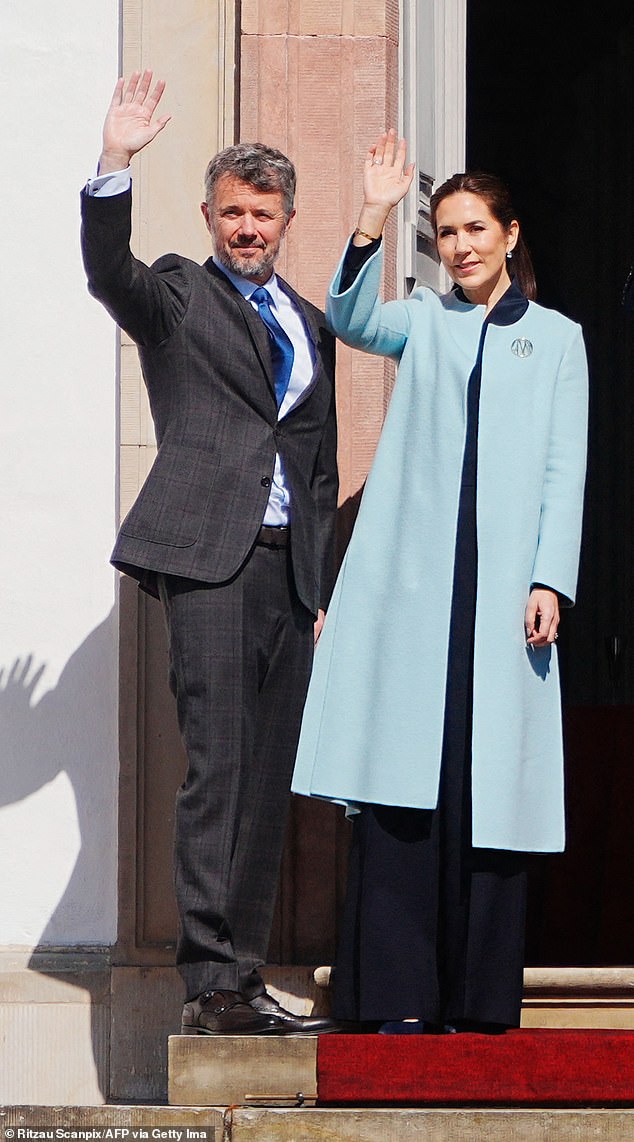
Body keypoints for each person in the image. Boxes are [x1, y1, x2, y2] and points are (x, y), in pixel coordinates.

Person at [292, 130, 588, 1033]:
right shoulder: (421, 317)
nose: (459, 245)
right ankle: (398, 1004)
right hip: (415, 604)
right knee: (403, 796)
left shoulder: (559, 340)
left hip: (504, 607)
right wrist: (375, 212)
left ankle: (480, 1007)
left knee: (487, 796)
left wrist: (551, 579)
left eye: (473, 229)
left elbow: (562, 473)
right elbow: (347, 317)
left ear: (508, 234)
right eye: (446, 232)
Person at [81, 71, 339, 1036]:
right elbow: (113, 274)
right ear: (210, 215)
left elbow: (316, 464)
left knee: (266, 782)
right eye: (232, 212)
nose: (247, 228)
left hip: (286, 576)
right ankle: (207, 985)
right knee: (217, 772)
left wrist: (318, 584)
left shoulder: (309, 325)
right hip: (209, 564)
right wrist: (113, 163)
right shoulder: (181, 296)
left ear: (286, 219)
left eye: (262, 214)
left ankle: (243, 974)